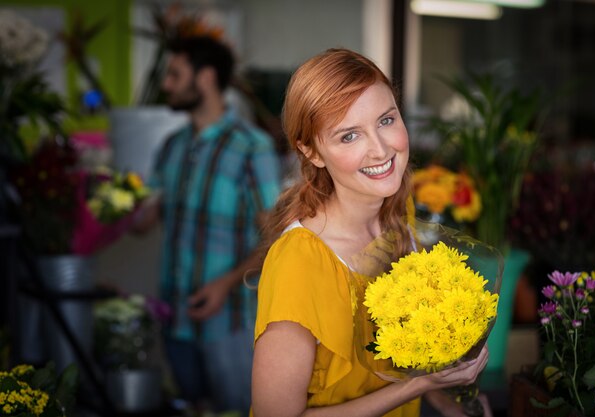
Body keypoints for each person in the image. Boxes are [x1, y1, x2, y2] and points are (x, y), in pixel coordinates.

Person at [251, 48, 490, 417]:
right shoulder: (300, 264)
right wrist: (419, 385)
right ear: (311, 151)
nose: (380, 149)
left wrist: (444, 397)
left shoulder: (397, 213)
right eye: (349, 136)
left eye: (386, 120)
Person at [133, 35, 281, 414]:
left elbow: (276, 239)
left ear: (206, 78)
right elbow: (143, 224)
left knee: (238, 409)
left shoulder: (253, 147)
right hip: (173, 314)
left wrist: (225, 285)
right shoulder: (172, 145)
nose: (166, 84)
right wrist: (117, 203)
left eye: (175, 74)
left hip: (228, 322)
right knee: (192, 407)